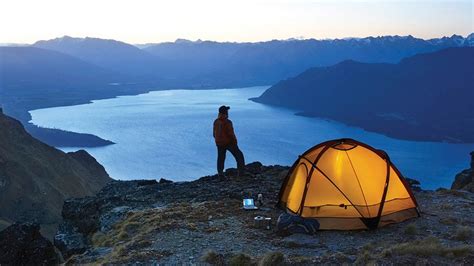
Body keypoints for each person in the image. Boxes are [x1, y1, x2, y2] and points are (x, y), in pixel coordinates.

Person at [213, 105, 245, 177]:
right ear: (225, 112)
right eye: (227, 111)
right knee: (239, 155)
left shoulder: (216, 121)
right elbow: (230, 133)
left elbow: (214, 133)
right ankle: (241, 174)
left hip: (219, 143)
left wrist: (217, 140)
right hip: (228, 142)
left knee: (221, 158)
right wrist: (235, 142)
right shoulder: (227, 122)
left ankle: (220, 174)